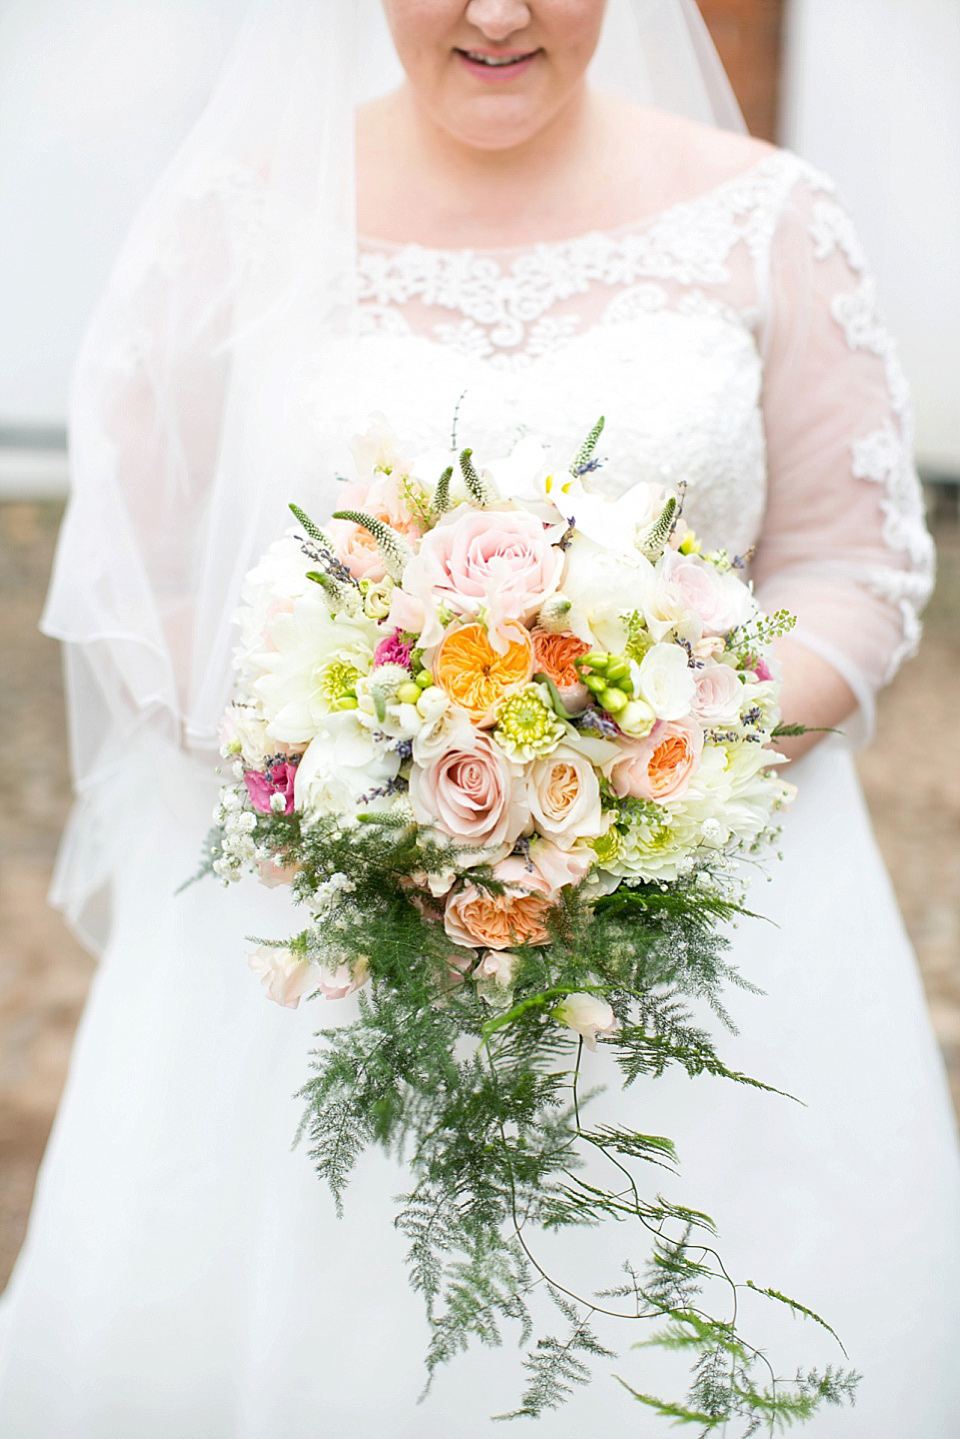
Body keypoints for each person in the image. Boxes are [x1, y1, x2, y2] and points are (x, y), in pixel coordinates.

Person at [1, 1, 958, 1434]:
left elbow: (848, 565)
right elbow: (150, 569)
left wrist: (642, 767)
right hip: (325, 941)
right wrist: (364, 784)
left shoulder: (766, 218)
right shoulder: (233, 221)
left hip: (718, 932)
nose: (498, 13)